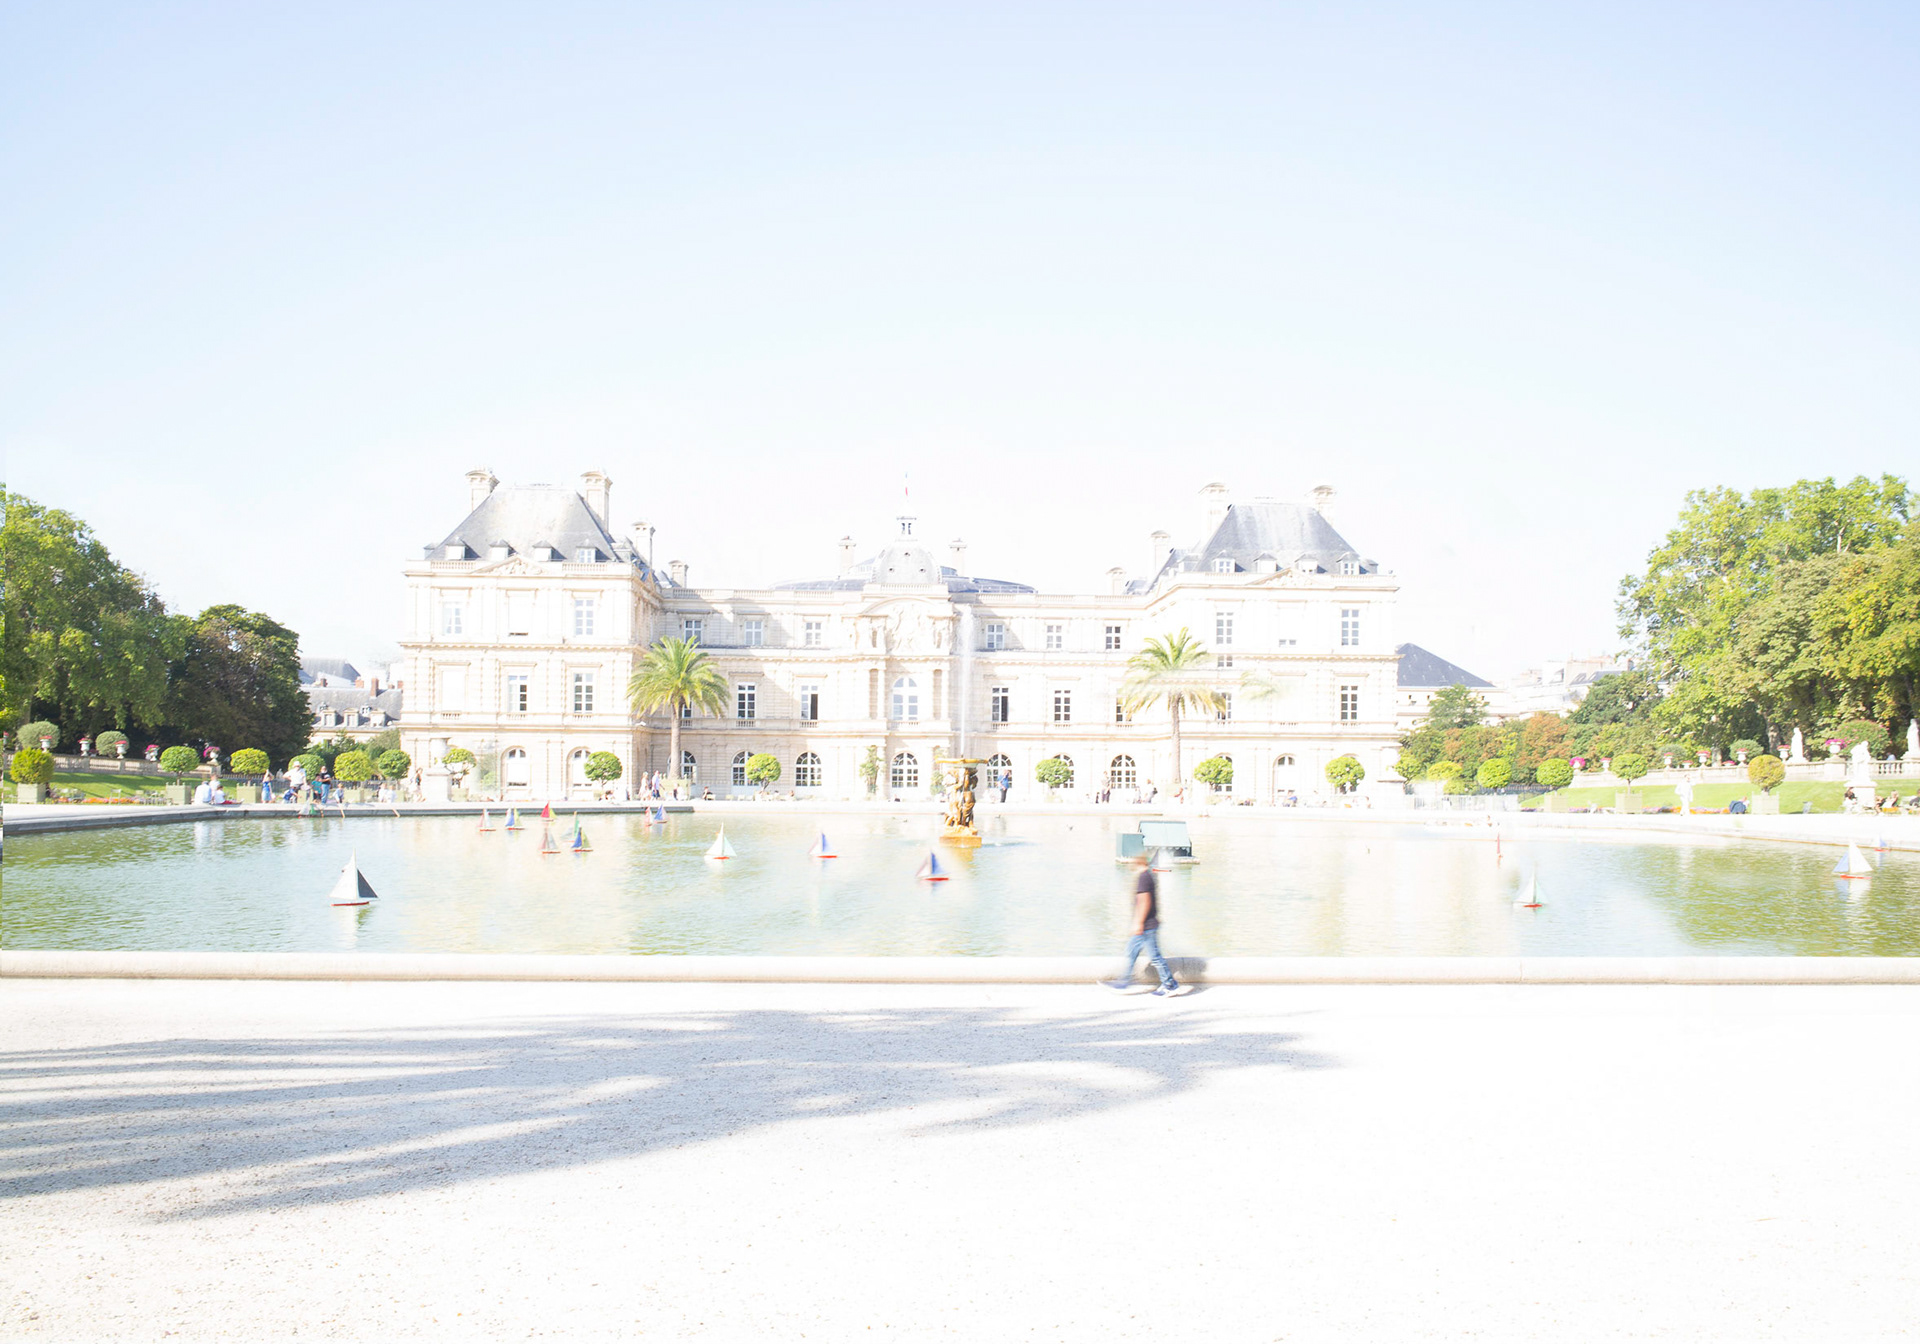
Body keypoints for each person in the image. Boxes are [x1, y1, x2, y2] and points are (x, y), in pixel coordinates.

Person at [1103, 852, 1186, 996]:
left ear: (1139, 863)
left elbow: (1144, 901)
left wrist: (1138, 923)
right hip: (1146, 925)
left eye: (1132, 863)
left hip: (1146, 926)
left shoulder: (1143, 877)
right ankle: (1123, 982)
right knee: (1131, 952)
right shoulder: (1148, 876)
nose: (1130, 865)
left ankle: (1170, 984)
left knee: (1155, 957)